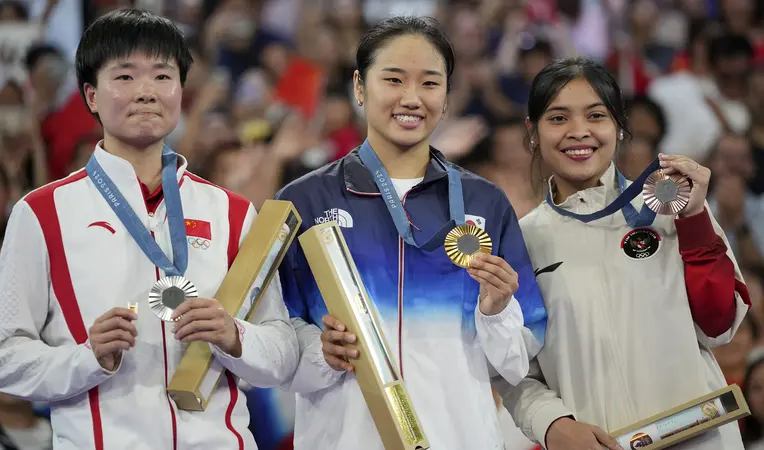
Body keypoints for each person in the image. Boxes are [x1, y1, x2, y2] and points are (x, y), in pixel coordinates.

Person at [0, 9, 298, 450]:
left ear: (182, 92)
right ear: (91, 96)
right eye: (125, 77)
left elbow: (283, 355)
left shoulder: (233, 212)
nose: (146, 92)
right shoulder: (42, 213)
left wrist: (234, 334)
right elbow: (1, 361)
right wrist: (86, 358)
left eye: (163, 76)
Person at [275, 16, 548, 450]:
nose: (411, 98)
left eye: (429, 83)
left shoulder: (485, 203)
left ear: (446, 96)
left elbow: (518, 359)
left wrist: (496, 312)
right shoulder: (302, 201)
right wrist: (318, 351)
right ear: (360, 87)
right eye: (394, 79)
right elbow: (274, 340)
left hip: (461, 438)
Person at [496, 57, 750, 450]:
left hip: (702, 438)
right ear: (532, 132)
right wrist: (551, 424)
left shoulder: (670, 209)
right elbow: (514, 369)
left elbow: (719, 326)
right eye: (558, 118)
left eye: (596, 115)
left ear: (618, 126)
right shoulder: (521, 242)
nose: (579, 132)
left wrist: (696, 218)